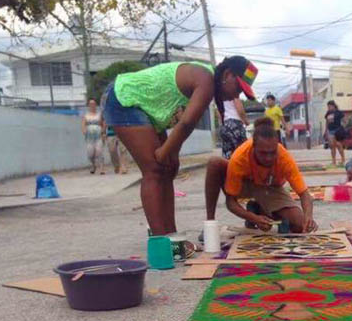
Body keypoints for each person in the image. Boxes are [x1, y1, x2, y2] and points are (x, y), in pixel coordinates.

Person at [102, 55, 258, 234]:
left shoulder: (209, 82)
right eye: (238, 88)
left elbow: (185, 125)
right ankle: (162, 241)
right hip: (123, 97)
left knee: (168, 169)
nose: (236, 95)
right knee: (154, 170)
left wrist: (171, 153)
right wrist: (164, 152)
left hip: (146, 110)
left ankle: (171, 235)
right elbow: (186, 123)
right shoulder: (206, 79)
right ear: (227, 74)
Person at [205, 117, 317, 233]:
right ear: (253, 147)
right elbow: (231, 203)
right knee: (214, 163)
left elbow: (304, 194)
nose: (268, 158)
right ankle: (210, 224)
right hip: (245, 185)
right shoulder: (240, 157)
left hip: (270, 187)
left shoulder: (284, 157)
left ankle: (259, 209)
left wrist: (308, 217)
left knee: (299, 224)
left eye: (272, 153)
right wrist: (254, 218)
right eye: (263, 153)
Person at [82, 99, 105, 174]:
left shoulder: (99, 115)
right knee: (90, 153)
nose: (92, 105)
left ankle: (102, 168)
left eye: (93, 104)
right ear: (88, 106)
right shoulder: (86, 115)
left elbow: (103, 123)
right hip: (89, 137)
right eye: (90, 104)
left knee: (99, 151)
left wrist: (103, 131)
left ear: (96, 105)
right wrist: (84, 131)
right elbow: (83, 124)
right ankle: (93, 165)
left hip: (98, 136)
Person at [324, 101, 345, 165]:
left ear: (333, 106)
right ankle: (333, 161)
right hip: (330, 131)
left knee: (338, 144)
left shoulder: (338, 112)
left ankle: (342, 159)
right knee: (332, 146)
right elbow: (327, 122)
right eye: (328, 107)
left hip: (337, 130)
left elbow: (344, 120)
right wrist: (326, 131)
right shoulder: (328, 113)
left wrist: (344, 127)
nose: (329, 108)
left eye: (330, 106)